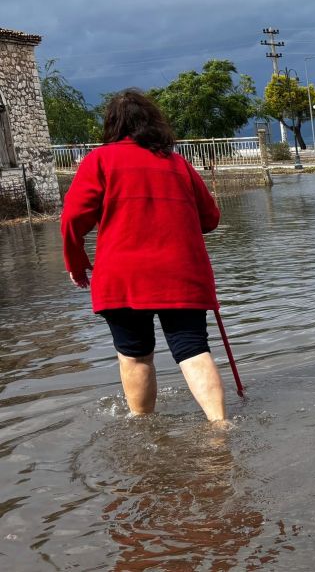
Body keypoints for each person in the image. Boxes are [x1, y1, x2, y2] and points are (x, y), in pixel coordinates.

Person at [61, 90, 228, 422]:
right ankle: (220, 427)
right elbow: (210, 219)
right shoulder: (177, 163)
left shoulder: (99, 161)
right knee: (193, 350)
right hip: (181, 274)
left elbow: (72, 220)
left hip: (122, 278)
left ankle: (144, 428)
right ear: (153, 122)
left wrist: (77, 263)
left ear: (112, 124)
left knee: (135, 355)